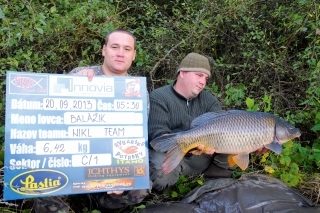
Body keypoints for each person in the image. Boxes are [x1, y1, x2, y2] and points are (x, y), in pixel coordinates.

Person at [33, 29, 150, 213]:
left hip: (108, 166)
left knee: (142, 186)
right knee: (43, 184)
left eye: (127, 49)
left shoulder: (139, 90)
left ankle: (98, 204)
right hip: (72, 162)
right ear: (104, 50)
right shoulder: (81, 75)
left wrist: (125, 174)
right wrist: (71, 85)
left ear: (133, 55)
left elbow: (135, 139)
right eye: (115, 47)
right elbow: (52, 121)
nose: (121, 53)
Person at [148, 52, 236, 191]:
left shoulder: (210, 101)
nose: (203, 82)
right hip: (175, 158)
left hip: (204, 159)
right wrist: (189, 146)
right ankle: (171, 189)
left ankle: (212, 184)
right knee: (159, 169)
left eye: (206, 78)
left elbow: (223, 128)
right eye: (199, 75)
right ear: (182, 73)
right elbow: (158, 135)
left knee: (236, 145)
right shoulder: (159, 97)